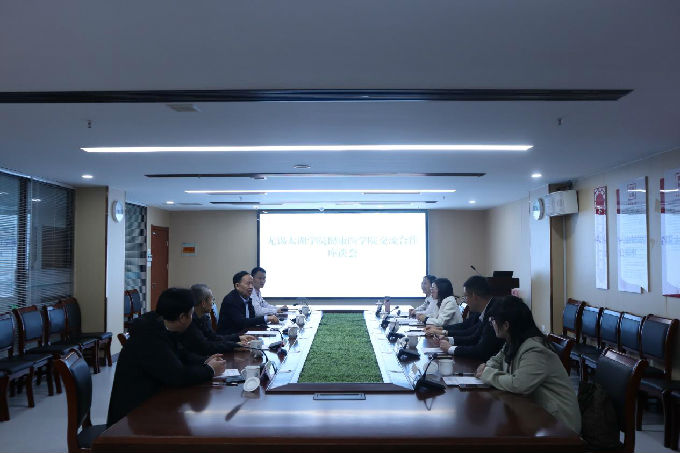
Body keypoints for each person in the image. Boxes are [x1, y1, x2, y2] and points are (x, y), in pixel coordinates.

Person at [107, 288, 226, 427]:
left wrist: (205, 360)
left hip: (153, 404)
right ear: (182, 317)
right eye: (191, 314)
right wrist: (210, 370)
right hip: (132, 420)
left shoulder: (162, 325)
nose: (192, 318)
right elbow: (178, 375)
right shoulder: (149, 338)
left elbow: (181, 354)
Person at [476, 296, 581, 433]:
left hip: (558, 423)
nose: (492, 324)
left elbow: (518, 385)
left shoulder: (535, 349)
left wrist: (487, 373)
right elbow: (496, 360)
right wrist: (488, 367)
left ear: (506, 325)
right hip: (535, 412)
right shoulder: (513, 341)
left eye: (493, 320)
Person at [433, 275, 504, 361]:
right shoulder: (486, 309)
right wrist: (448, 339)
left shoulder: (494, 312)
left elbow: (482, 351)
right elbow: (473, 336)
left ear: (474, 296)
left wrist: (450, 348)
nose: (465, 301)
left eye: (466, 296)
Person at [180, 283, 257, 355]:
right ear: (203, 303)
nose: (212, 303)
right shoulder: (190, 321)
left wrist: (238, 338)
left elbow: (214, 337)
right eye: (212, 299)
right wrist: (234, 346)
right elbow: (206, 346)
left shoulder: (203, 318)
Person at [216, 271, 279, 335]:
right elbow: (242, 322)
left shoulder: (247, 298)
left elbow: (252, 319)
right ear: (237, 286)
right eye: (248, 284)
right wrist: (266, 318)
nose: (251, 287)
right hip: (230, 337)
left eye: (252, 284)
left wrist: (268, 324)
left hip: (244, 334)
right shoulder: (230, 300)